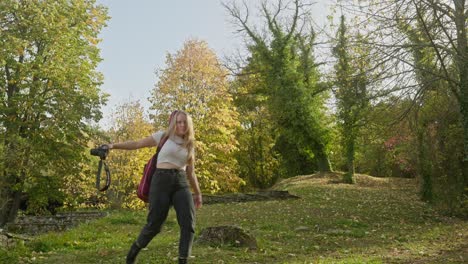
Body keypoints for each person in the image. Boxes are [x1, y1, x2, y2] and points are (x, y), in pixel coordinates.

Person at [105, 110, 202, 264]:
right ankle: (133, 252)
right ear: (173, 123)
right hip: (161, 180)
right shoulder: (163, 137)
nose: (182, 125)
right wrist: (113, 145)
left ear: (188, 124)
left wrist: (197, 193)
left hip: (181, 182)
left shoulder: (189, 144)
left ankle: (183, 260)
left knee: (188, 223)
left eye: (184, 122)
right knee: (155, 224)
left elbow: (191, 172)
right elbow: (137, 144)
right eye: (178, 122)